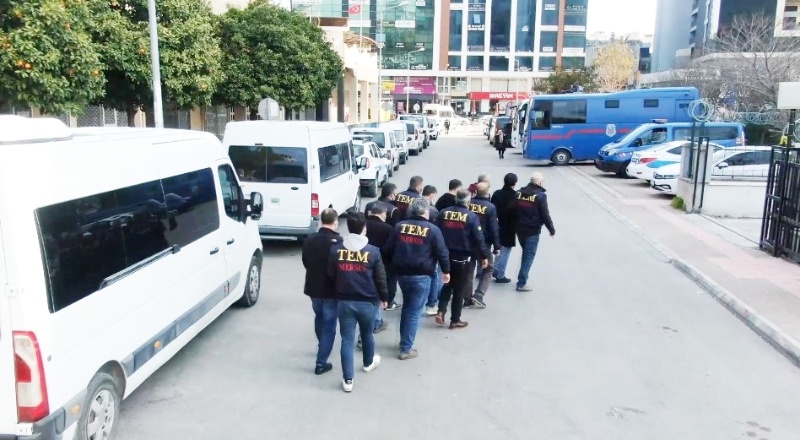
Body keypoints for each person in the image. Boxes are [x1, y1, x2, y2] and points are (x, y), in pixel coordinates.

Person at [328, 212, 388, 392]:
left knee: (346, 339)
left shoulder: (336, 250)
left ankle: (348, 380)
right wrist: (384, 297)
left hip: (344, 300)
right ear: (364, 228)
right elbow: (380, 278)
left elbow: (331, 274)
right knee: (367, 334)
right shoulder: (373, 251)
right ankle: (368, 363)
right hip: (368, 301)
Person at [385, 198, 450, 359]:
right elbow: (442, 252)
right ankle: (406, 348)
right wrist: (446, 271)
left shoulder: (400, 226)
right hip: (422, 275)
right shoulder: (433, 230)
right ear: (426, 212)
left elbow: (387, 250)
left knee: (408, 308)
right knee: (413, 312)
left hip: (402, 274)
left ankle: (404, 341)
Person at [435, 190, 490, 329]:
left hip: (445, 255)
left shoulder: (443, 213)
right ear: (467, 201)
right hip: (462, 257)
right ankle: (455, 320)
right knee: (459, 289)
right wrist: (484, 256)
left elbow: (436, 232)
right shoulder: (471, 217)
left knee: (447, 284)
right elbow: (479, 238)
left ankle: (441, 311)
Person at [301, 208, 342, 375]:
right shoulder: (339, 241)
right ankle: (321, 362)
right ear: (335, 222)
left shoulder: (310, 239)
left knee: (319, 317)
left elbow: (305, 260)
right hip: (331, 290)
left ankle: (322, 345)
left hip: (313, 287)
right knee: (330, 325)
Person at [512, 172, 556, 292]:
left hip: (519, 228)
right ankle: (521, 282)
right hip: (533, 229)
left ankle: (522, 278)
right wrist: (551, 229)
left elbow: (513, 209)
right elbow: (545, 214)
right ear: (540, 182)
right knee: (528, 256)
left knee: (526, 253)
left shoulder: (519, 193)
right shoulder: (540, 196)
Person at [466, 182, 500, 308]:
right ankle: (479, 295)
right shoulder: (490, 207)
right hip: (484, 243)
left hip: (468, 242)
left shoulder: (468, 203)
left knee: (469, 270)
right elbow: (494, 228)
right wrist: (497, 246)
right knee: (488, 268)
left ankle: (467, 298)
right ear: (487, 192)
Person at [365, 204, 394, 334]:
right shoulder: (388, 228)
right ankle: (375, 323)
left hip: (361, 261)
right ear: (383, 214)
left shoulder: (363, 224)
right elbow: (390, 249)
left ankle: (377, 321)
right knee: (376, 294)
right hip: (381, 264)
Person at [490, 173, 519, 284]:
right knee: (505, 251)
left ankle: (496, 269)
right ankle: (500, 274)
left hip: (497, 224)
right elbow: (517, 213)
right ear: (515, 183)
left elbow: (492, 208)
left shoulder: (497, 194)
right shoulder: (515, 196)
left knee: (498, 248)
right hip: (510, 227)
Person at [420, 185, 442, 315]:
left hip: (414, 253)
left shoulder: (415, 204)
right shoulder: (433, 211)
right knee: (433, 276)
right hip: (429, 252)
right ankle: (431, 304)